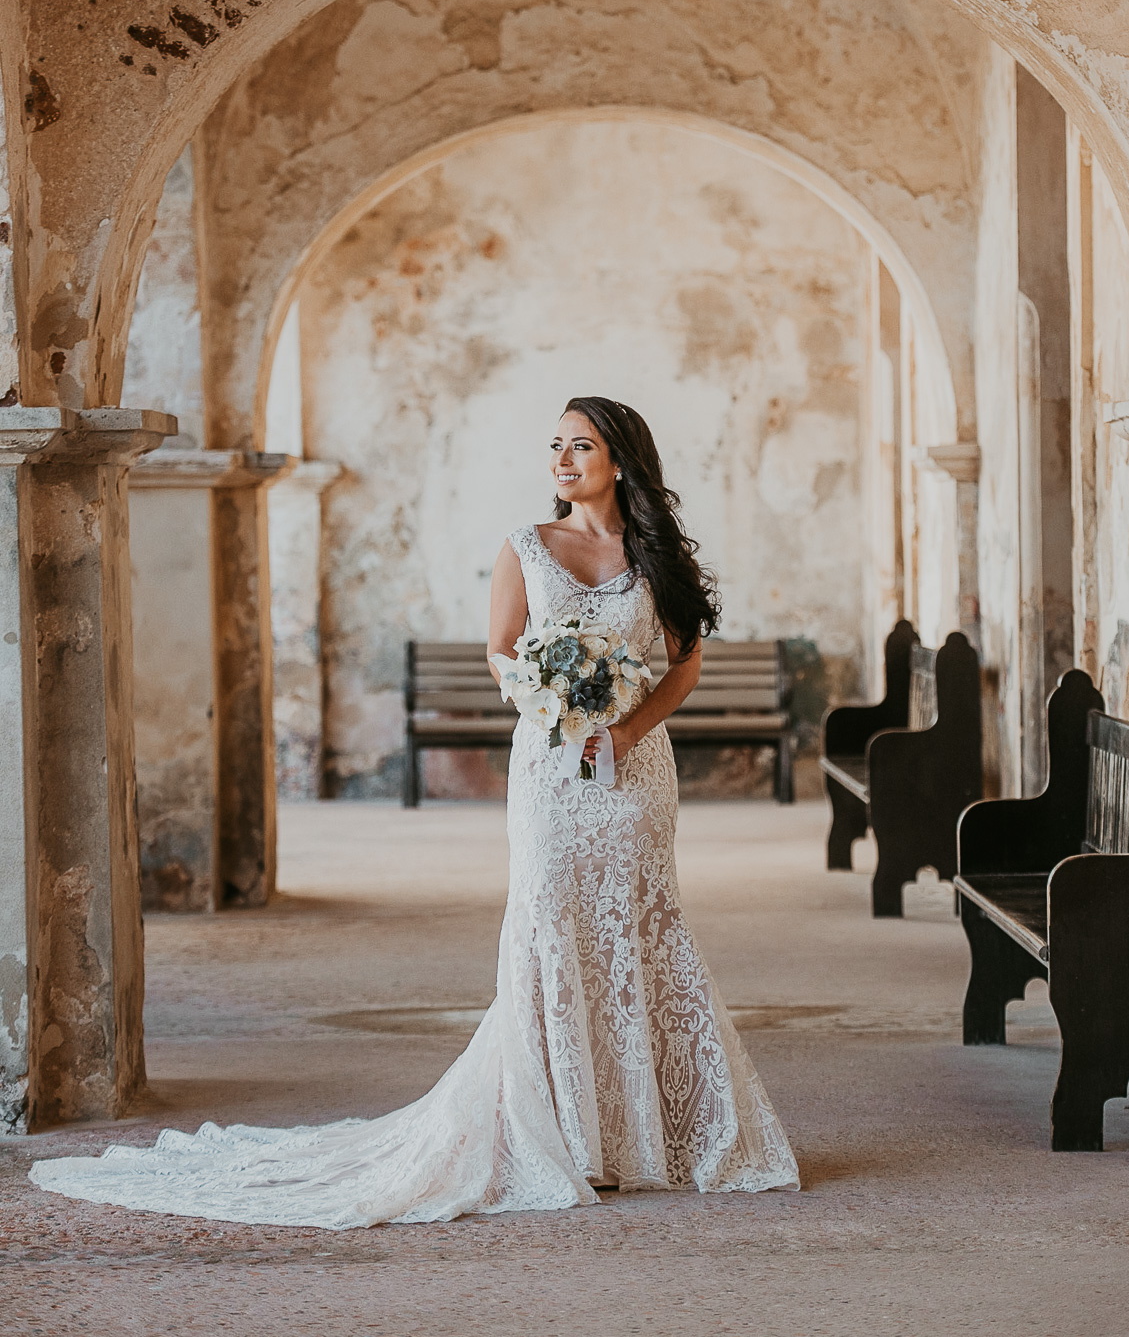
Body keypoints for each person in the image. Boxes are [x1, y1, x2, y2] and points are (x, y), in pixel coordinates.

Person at [30, 397, 798, 1227]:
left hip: (633, 774)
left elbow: (681, 668)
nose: (562, 461)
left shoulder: (653, 558)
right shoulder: (526, 548)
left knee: (641, 927)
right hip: (549, 768)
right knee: (551, 923)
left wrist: (622, 730)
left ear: (621, 461)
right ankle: (570, 1137)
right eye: (556, 446)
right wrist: (555, 703)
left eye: (581, 446)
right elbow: (504, 653)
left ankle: (654, 1139)